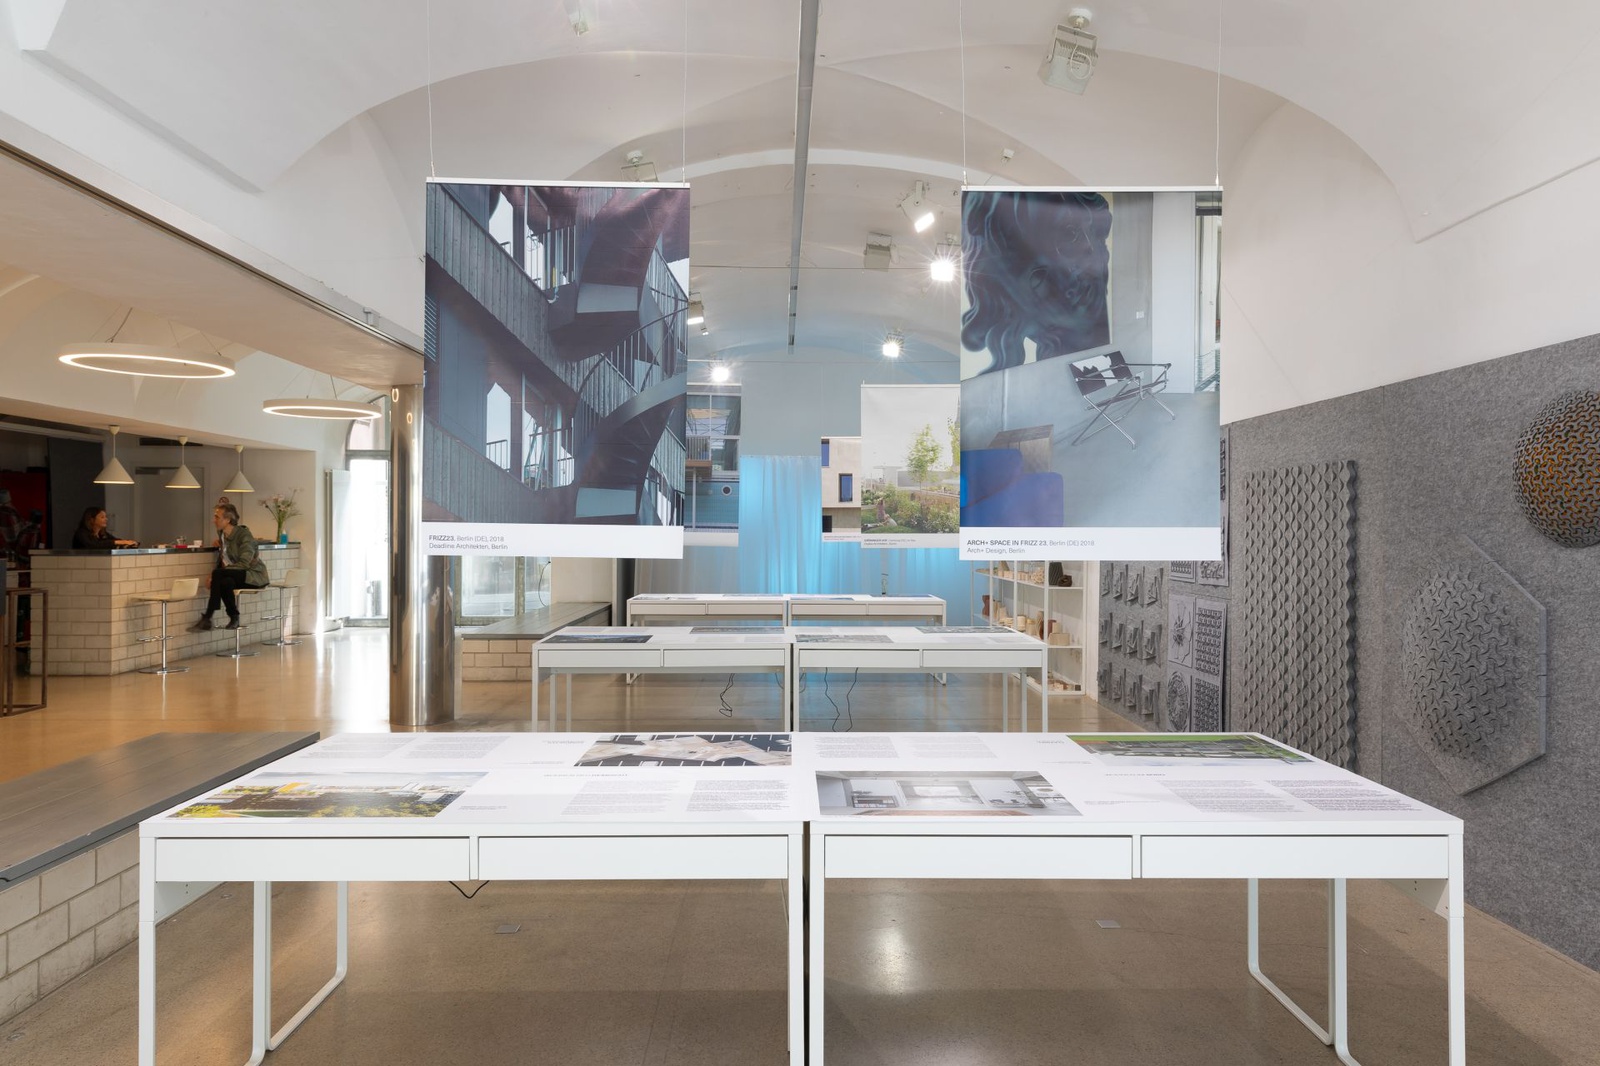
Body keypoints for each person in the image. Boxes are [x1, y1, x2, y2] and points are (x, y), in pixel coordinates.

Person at [190, 503, 269, 631]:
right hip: (236, 575)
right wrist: (217, 574)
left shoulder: (244, 535)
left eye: (217, 517)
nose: (214, 520)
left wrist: (216, 575)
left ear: (227, 520)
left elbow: (244, 563)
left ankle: (208, 617)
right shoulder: (222, 534)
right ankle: (234, 617)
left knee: (218, 574)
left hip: (253, 575)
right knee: (226, 582)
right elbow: (224, 559)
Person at [72, 507, 137, 550]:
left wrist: (127, 543)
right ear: (92, 519)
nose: (106, 519)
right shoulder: (81, 533)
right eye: (102, 517)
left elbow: (114, 540)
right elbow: (94, 545)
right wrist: (118, 542)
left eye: (106, 517)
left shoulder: (103, 534)